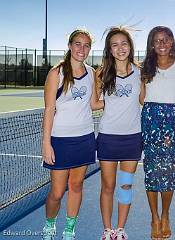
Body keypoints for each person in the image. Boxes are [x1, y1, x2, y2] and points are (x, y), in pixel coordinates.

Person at [41, 29, 103, 240]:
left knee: (76, 186)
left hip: (84, 139)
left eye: (86, 45)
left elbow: (94, 104)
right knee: (57, 192)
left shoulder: (92, 73)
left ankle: (69, 229)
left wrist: (117, 99)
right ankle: (50, 225)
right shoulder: (56, 73)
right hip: (59, 141)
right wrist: (46, 144)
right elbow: (49, 109)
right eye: (78, 44)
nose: (82, 49)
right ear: (69, 45)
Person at [140, 26, 175, 240]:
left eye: (166, 40)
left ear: (172, 42)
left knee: (169, 172)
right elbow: (141, 99)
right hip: (152, 118)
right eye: (157, 41)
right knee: (152, 173)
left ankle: (165, 215)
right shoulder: (144, 67)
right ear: (152, 45)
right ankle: (154, 218)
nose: (162, 44)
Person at [95, 26, 142, 240]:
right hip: (108, 138)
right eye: (115, 44)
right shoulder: (101, 73)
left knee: (125, 184)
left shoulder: (141, 73)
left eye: (124, 43)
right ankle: (107, 229)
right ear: (110, 49)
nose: (120, 48)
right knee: (108, 185)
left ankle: (120, 229)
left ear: (130, 46)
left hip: (132, 138)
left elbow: (144, 101)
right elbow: (94, 103)